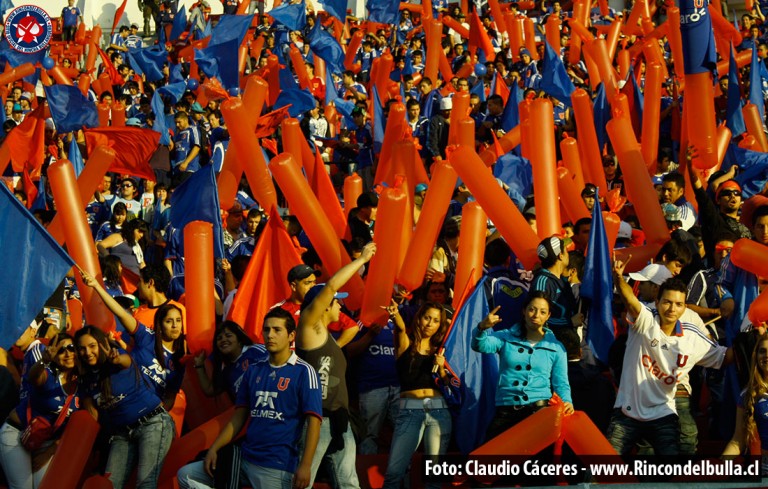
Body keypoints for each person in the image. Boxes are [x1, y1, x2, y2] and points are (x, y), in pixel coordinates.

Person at [177, 309, 322, 489]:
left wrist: (306, 465)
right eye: (266, 330)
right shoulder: (253, 370)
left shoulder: (305, 372)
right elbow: (239, 417)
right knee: (186, 475)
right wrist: (214, 448)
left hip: (277, 466)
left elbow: (314, 422)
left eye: (277, 330)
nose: (270, 335)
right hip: (244, 460)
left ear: (291, 335)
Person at [608, 257, 732, 456]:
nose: (672, 309)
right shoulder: (645, 320)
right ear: (657, 302)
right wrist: (618, 279)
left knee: (669, 470)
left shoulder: (692, 333)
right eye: (667, 302)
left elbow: (724, 356)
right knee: (602, 469)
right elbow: (630, 300)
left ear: (684, 307)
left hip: (664, 412)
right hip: (627, 413)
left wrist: (753, 335)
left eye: (678, 304)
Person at [296, 244, 378, 489]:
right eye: (337, 302)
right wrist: (361, 259)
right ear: (324, 306)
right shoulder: (309, 329)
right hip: (316, 421)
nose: (341, 306)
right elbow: (331, 286)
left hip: (339, 420)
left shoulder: (328, 340)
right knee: (303, 482)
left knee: (348, 482)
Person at [75, 325, 174, 488]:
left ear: (101, 344)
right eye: (82, 348)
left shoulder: (116, 356)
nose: (87, 352)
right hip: (122, 434)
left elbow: (126, 361)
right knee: (109, 485)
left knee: (145, 484)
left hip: (152, 422)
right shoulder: (86, 380)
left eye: (92, 346)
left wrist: (116, 359)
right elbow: (93, 416)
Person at [472, 292, 574, 438]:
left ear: (548, 316)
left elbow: (561, 383)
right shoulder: (505, 337)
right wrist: (482, 327)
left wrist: (567, 402)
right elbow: (479, 345)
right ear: (524, 311)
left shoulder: (556, 347)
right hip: (506, 411)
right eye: (532, 309)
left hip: (539, 412)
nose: (536, 315)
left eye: (542, 312)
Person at [80, 269, 186, 409]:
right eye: (169, 321)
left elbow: (170, 398)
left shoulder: (179, 360)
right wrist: (97, 286)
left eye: (178, 321)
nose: (174, 325)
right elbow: (121, 314)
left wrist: (158, 414)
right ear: (159, 325)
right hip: (125, 399)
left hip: (152, 417)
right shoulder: (145, 332)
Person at [381, 300, 453, 489]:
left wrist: (443, 368)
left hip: (439, 413)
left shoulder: (442, 350)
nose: (430, 323)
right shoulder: (405, 344)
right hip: (409, 413)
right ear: (419, 318)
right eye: (427, 317)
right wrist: (395, 314)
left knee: (433, 479)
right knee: (393, 474)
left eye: (436, 320)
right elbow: (400, 329)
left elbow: (449, 385)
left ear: (440, 325)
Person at [0, 334, 78, 488]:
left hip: (46, 442)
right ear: (55, 357)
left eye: (71, 348)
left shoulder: (83, 385)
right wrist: (44, 360)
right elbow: (33, 376)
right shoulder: (48, 376)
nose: (67, 353)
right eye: (61, 350)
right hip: (17, 434)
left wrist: (50, 451)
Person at [722, 334, 768, 474]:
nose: (766, 355)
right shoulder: (749, 394)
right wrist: (719, 466)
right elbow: (738, 441)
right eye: (762, 351)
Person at [193, 321, 267, 402]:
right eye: (219, 338)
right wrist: (199, 365)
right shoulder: (227, 371)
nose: (223, 340)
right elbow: (209, 390)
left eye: (228, 336)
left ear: (239, 339)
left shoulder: (256, 351)